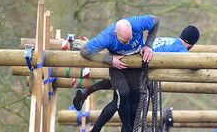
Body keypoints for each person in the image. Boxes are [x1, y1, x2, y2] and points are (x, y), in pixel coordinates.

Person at [80, 15, 160, 132]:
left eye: (130, 38)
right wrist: (109, 60)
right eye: (125, 41)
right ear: (116, 35)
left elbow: (156, 21)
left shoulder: (138, 23)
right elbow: (85, 51)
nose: (129, 42)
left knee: (134, 109)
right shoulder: (106, 37)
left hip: (135, 64)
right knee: (122, 95)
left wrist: (148, 45)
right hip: (117, 66)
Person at [73, 26, 201, 111]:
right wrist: (200, 65)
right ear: (192, 43)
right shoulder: (181, 49)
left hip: (133, 53)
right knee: (125, 98)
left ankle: (87, 91)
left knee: (115, 81)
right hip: (138, 64)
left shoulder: (171, 41)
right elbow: (192, 64)